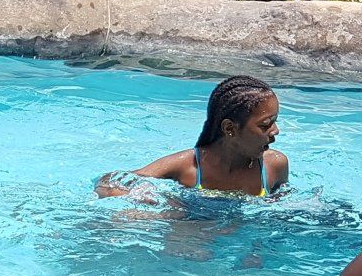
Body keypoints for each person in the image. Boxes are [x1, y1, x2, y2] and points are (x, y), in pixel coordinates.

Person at [99, 75, 289, 198]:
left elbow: (281, 204)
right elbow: (108, 182)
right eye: (265, 124)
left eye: (275, 121)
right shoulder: (188, 166)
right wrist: (143, 194)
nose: (276, 131)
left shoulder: (274, 166)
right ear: (230, 128)